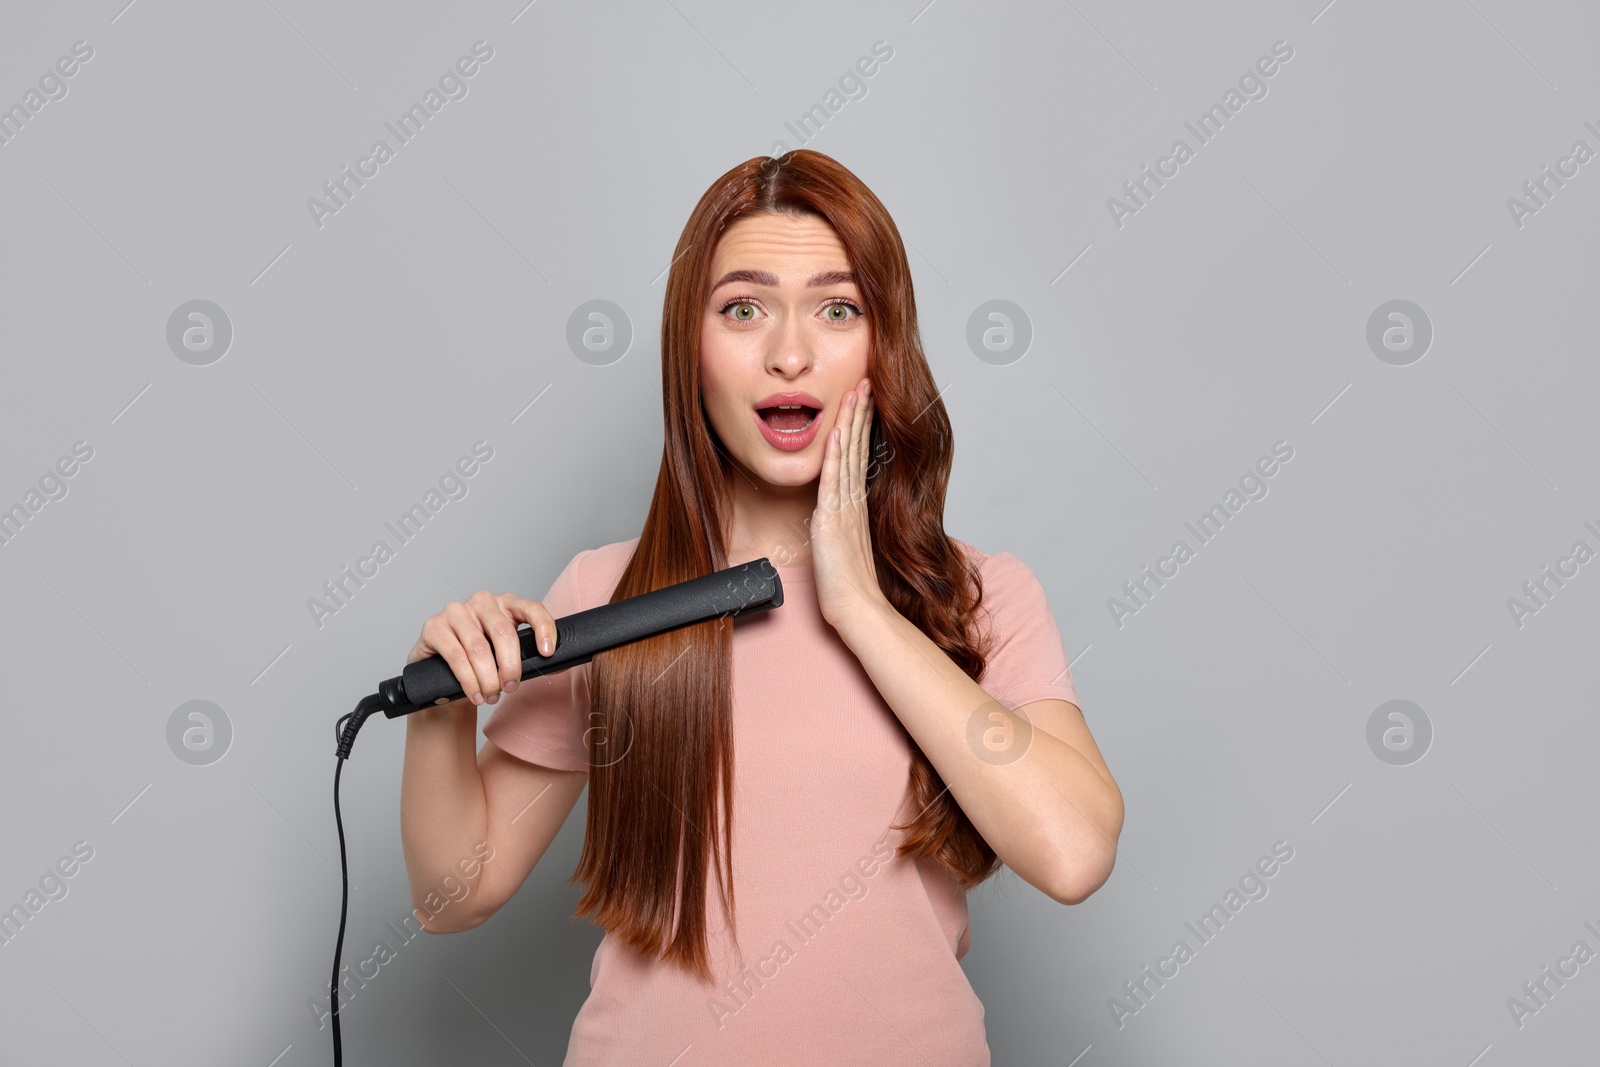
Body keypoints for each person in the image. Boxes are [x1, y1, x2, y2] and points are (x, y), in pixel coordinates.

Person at [398, 149, 1123, 1064]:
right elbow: (452, 893)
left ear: (883, 344)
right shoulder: (607, 596)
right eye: (743, 308)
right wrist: (443, 708)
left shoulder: (976, 595)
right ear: (689, 349)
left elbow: (1073, 851)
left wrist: (860, 606)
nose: (789, 352)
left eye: (838, 308)